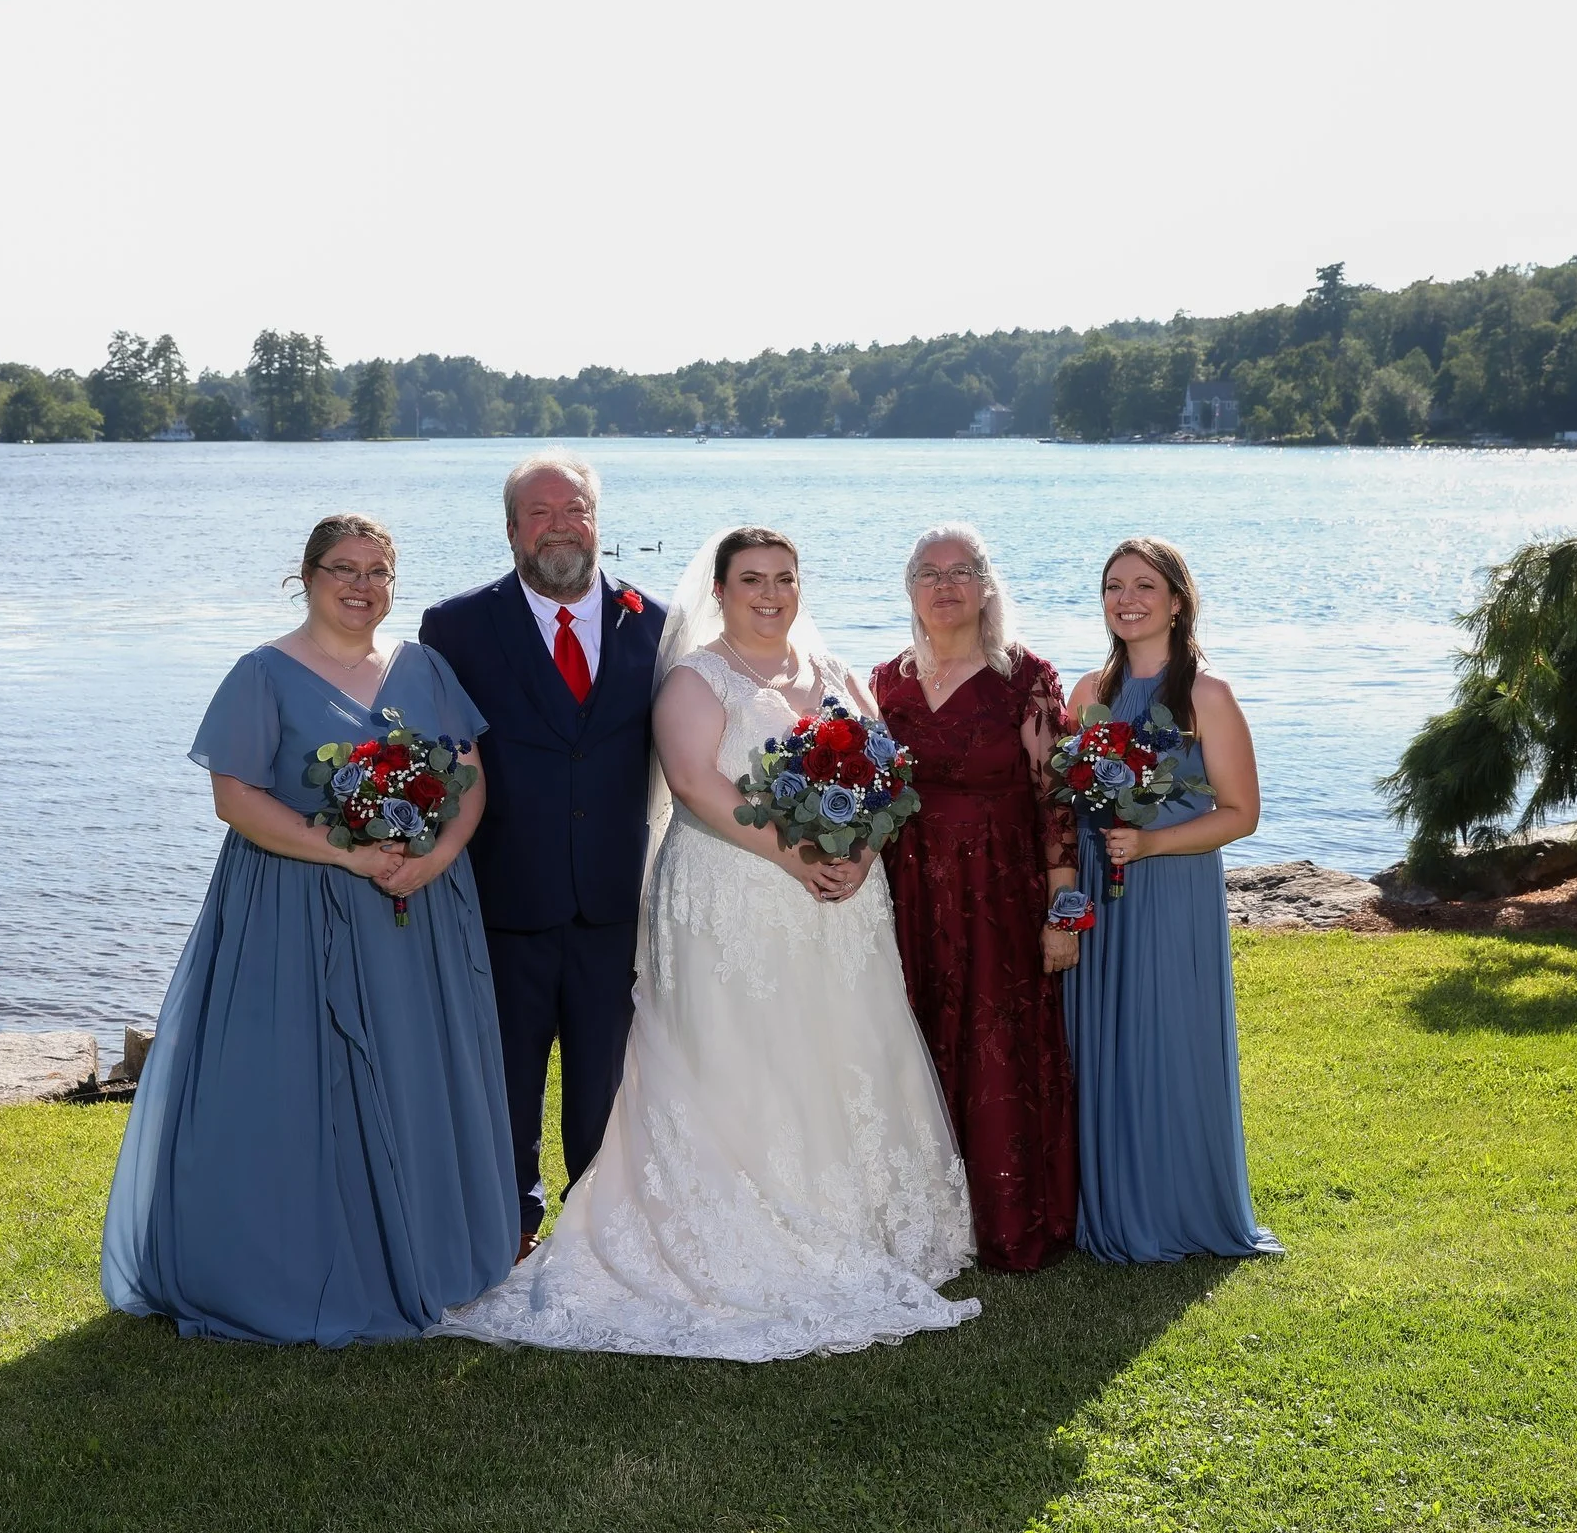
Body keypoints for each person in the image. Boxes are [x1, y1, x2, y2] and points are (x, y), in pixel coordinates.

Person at [434, 527, 979, 1359]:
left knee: (835, 1052)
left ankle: (846, 1216)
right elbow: (695, 784)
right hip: (737, 896)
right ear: (718, 590)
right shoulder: (694, 677)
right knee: (742, 1057)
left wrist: (860, 849)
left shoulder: (833, 674)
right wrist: (797, 856)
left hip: (837, 903)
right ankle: (734, 1225)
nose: (771, 594)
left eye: (785, 579)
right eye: (752, 579)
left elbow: (887, 777)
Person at [101, 514, 518, 1344]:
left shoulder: (424, 667)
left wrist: (430, 862)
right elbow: (235, 798)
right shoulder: (263, 673)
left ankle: (426, 1249)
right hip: (292, 905)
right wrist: (348, 853)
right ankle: (288, 1263)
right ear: (306, 575)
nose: (361, 586)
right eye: (343, 569)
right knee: (294, 1081)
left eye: (377, 571)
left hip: (417, 909)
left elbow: (468, 778)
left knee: (413, 1068)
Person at [418, 453, 666, 1260]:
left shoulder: (657, 624)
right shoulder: (452, 628)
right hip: (500, 896)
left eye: (577, 509)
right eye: (541, 511)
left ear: (599, 520)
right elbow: (431, 756)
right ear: (512, 527)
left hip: (612, 900)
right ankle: (507, 1227)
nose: (561, 523)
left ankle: (596, 1230)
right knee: (503, 1081)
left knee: (605, 1082)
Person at [1061, 538, 1282, 1263]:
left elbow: (1241, 812)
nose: (1127, 598)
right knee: (1102, 1039)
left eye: (1144, 585)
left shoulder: (1206, 695)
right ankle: (1104, 1201)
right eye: (1113, 585)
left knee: (1166, 1036)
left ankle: (1175, 1206)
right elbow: (1065, 799)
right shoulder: (1086, 691)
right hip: (1101, 883)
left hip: (1170, 885)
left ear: (1178, 600)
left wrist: (1152, 842)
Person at [871, 522, 1079, 1271]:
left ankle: (1007, 1217)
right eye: (929, 571)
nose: (946, 584)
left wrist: (1065, 915)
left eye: (962, 570)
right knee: (912, 1038)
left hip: (1001, 889)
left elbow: (1056, 801)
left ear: (987, 585)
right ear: (910, 587)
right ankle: (922, 1213)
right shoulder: (884, 681)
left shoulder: (1028, 678)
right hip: (908, 889)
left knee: (997, 1045)